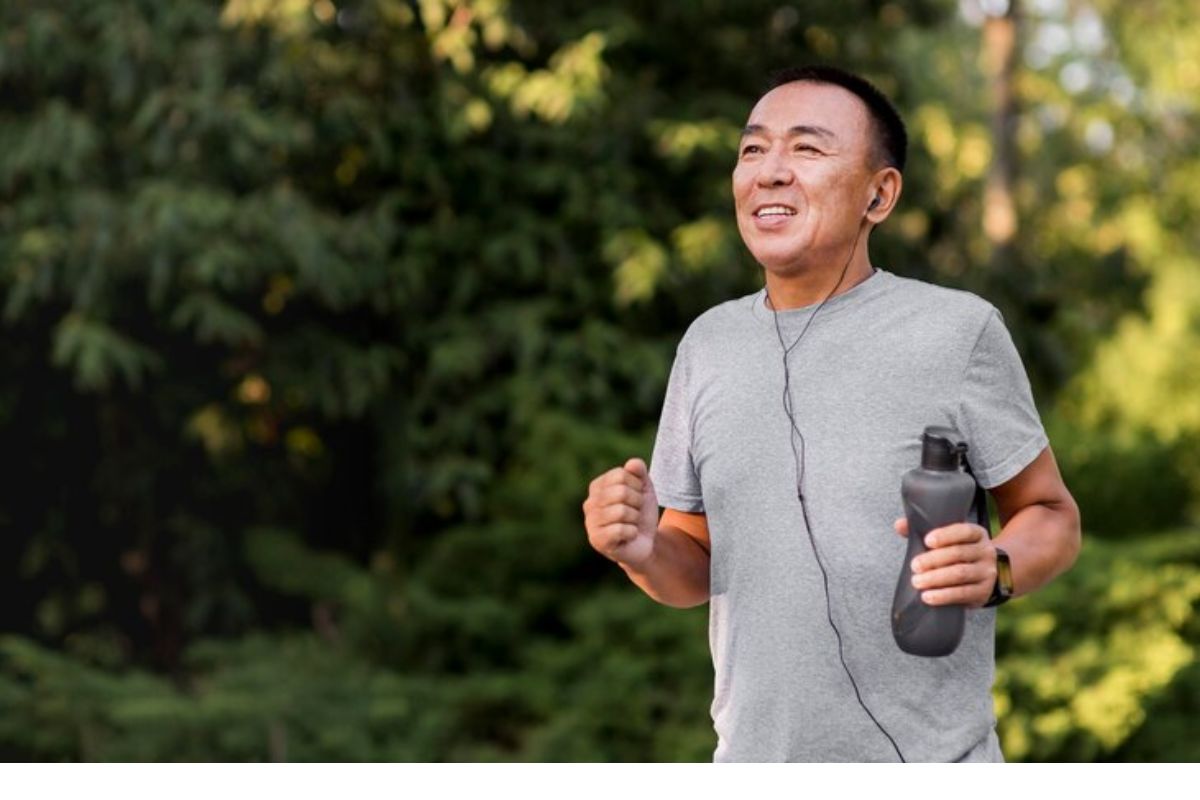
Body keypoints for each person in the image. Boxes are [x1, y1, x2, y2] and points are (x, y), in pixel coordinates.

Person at [580, 65, 1081, 762]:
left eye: (808, 149)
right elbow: (691, 562)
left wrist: (995, 565)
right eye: (753, 149)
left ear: (880, 194)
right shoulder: (708, 344)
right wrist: (638, 551)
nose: (771, 171)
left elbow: (1053, 516)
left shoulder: (956, 331)